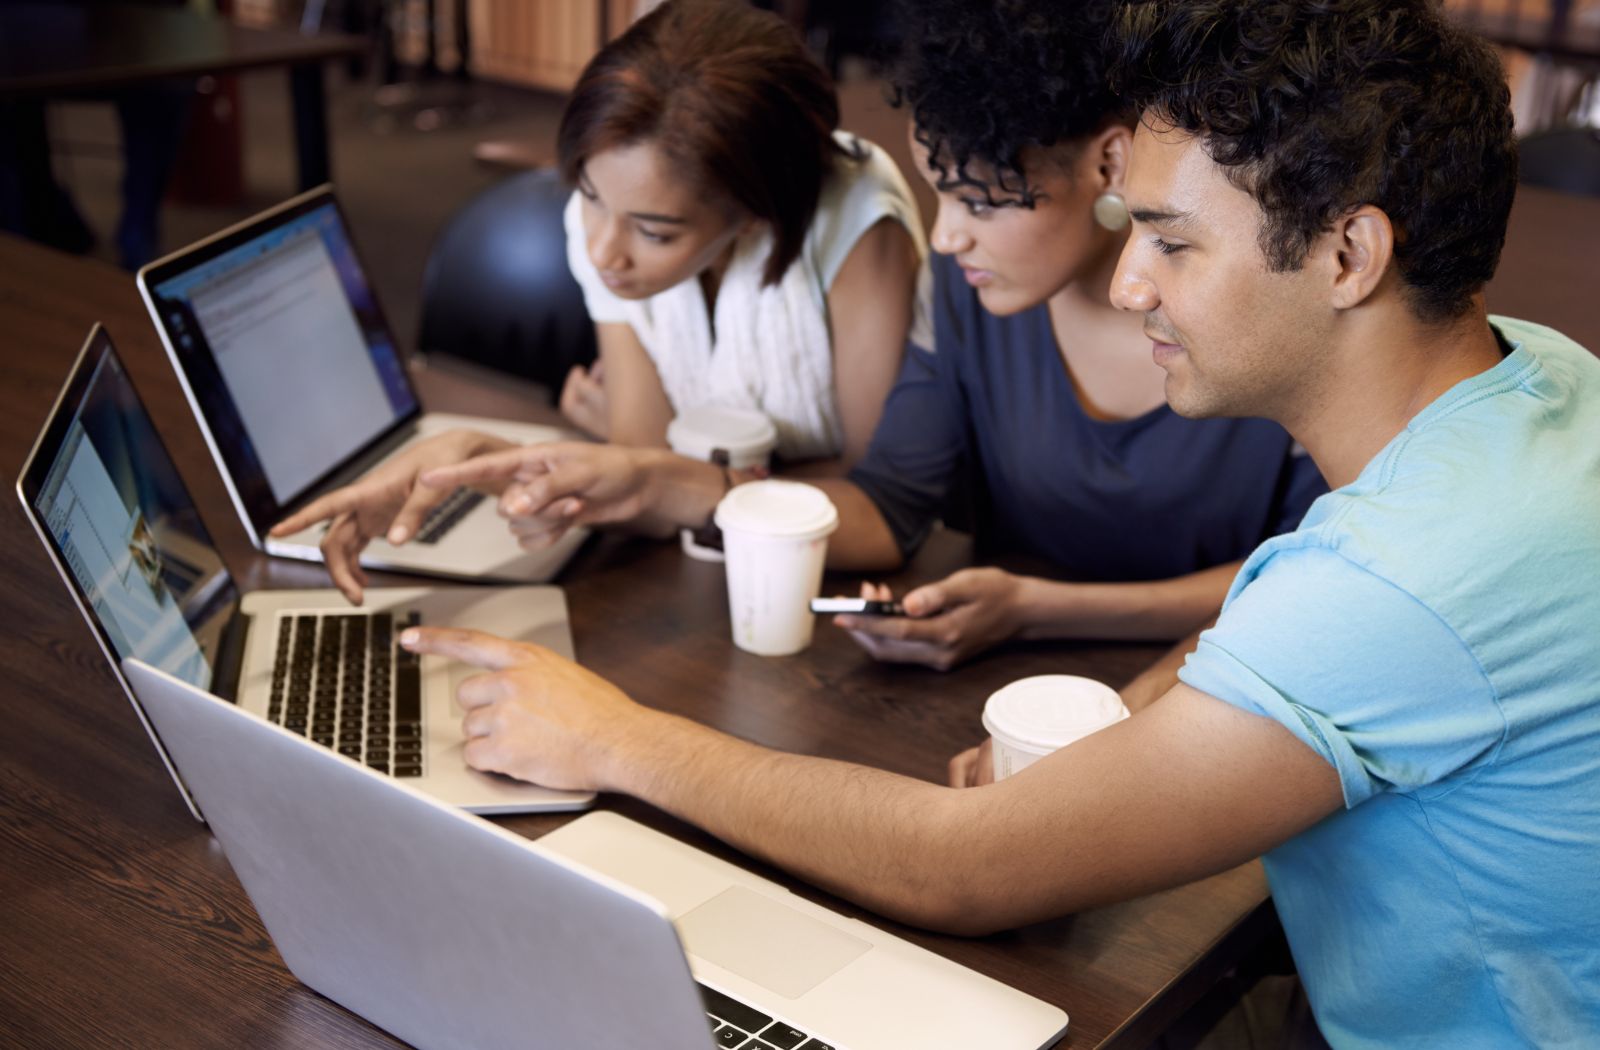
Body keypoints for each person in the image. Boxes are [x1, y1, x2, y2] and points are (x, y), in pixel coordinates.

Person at [395, 0, 1599, 1045]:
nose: (1131, 287)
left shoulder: (1393, 582)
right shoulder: (1535, 379)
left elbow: (959, 866)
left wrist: (613, 740)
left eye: (1172, 243)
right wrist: (1127, 719)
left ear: (1348, 254)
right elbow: (1297, 614)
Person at [315, 0, 1323, 684]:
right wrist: (556, 468)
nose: (948, 231)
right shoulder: (974, 293)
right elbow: (882, 507)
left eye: (976, 198)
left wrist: (1039, 607)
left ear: (1109, 162)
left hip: (1240, 690)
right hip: (1016, 683)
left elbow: (1314, 583)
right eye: (939, 192)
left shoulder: (1262, 322)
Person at [552, 0, 924, 463]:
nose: (601, 253)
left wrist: (664, 469)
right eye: (589, 197)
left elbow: (881, 483)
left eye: (654, 234)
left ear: (755, 211)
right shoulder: (612, 214)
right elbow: (643, 457)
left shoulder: (855, 218)